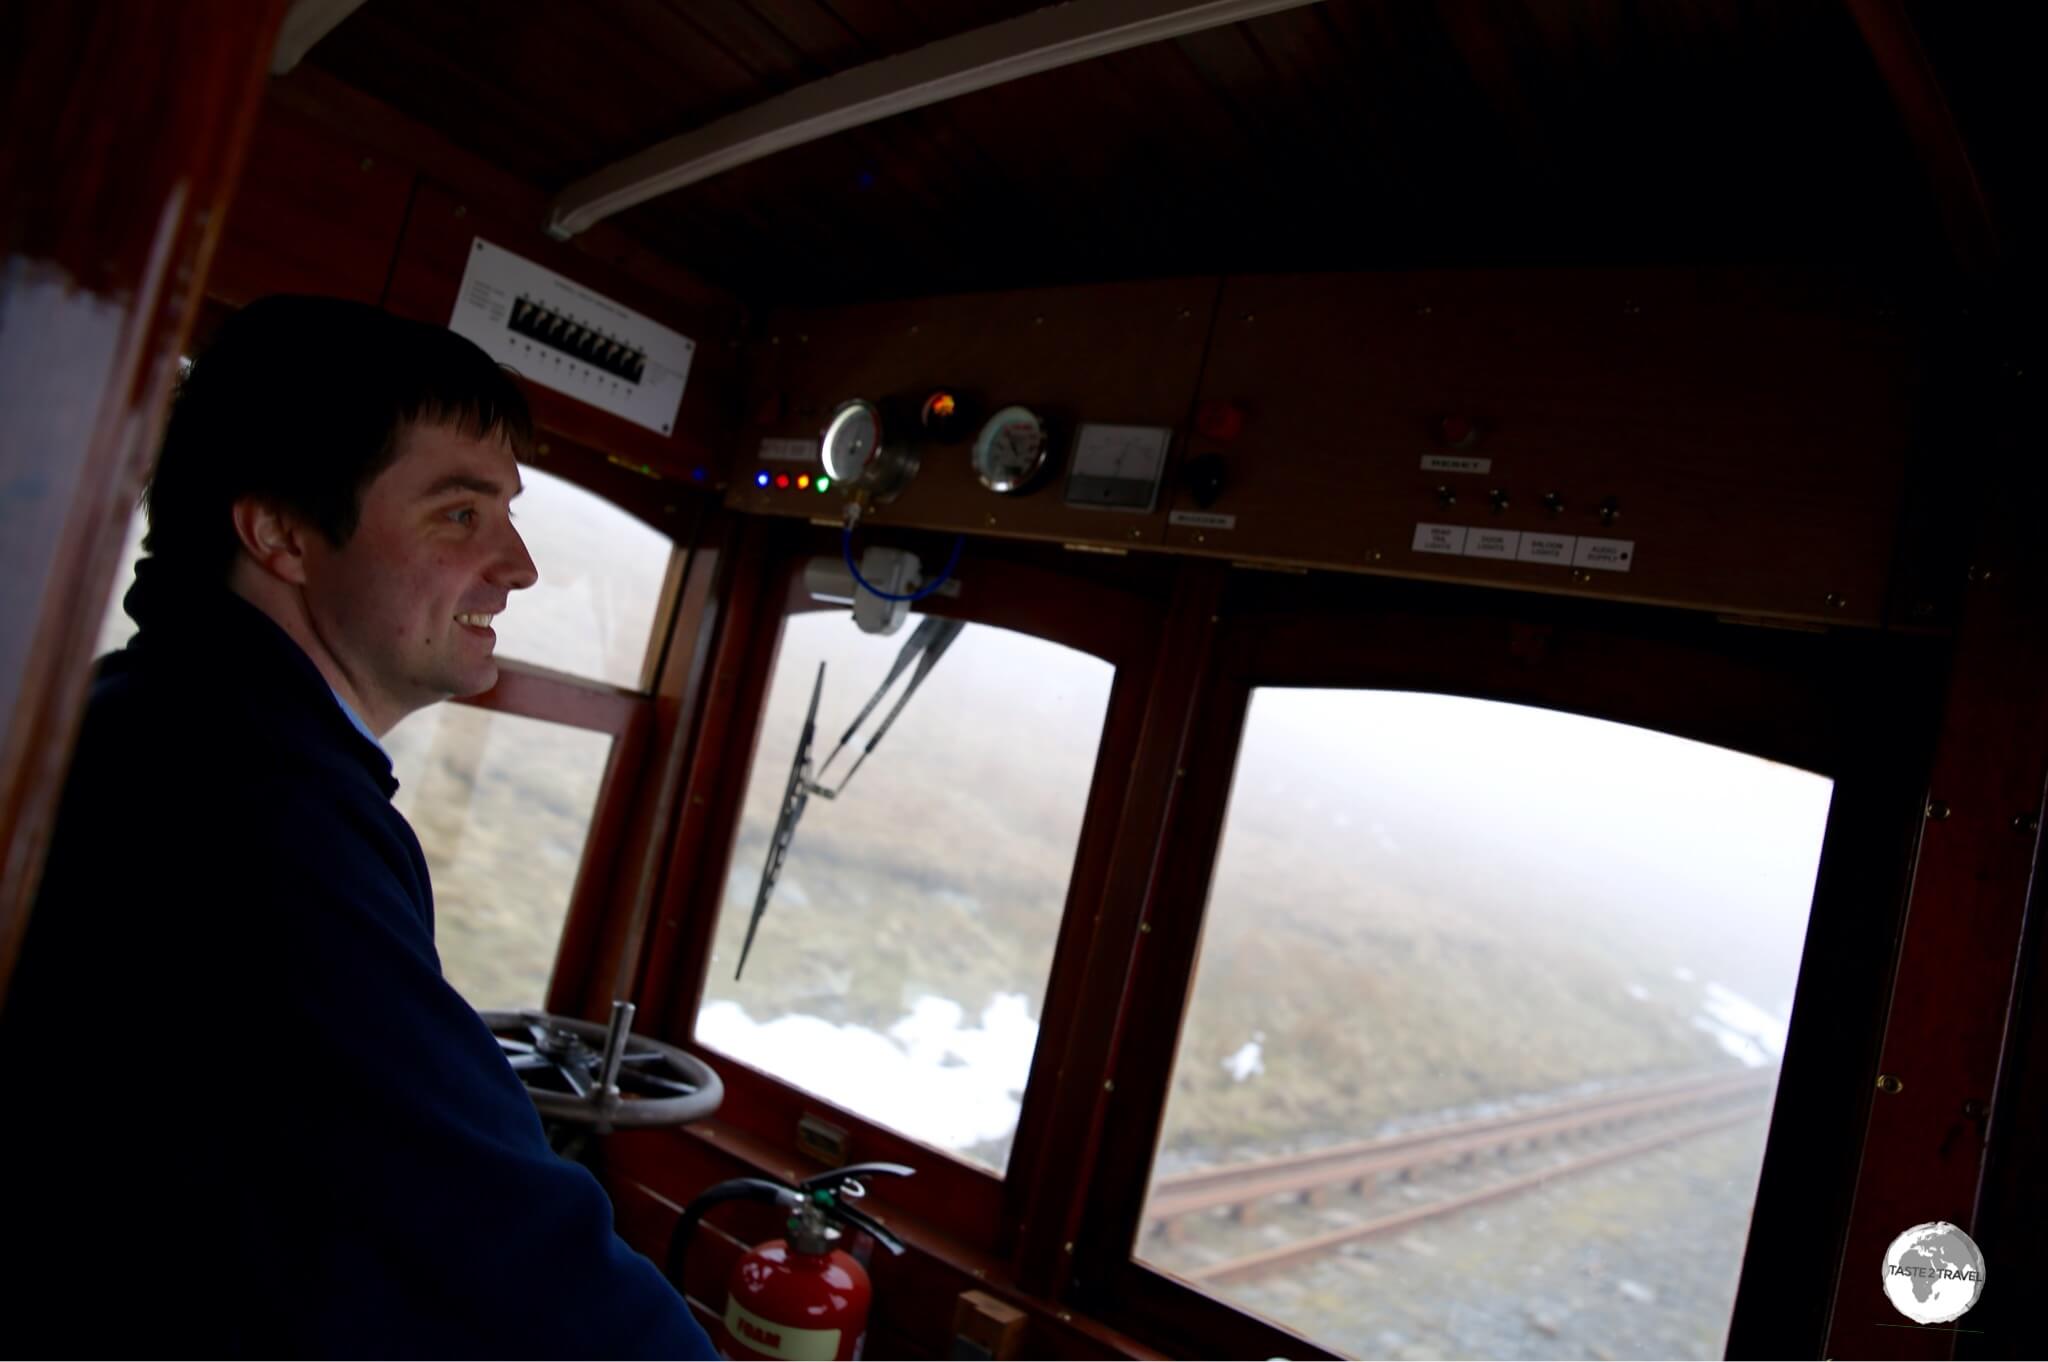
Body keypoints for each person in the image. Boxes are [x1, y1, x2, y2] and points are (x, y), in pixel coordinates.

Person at [0, 296, 717, 1358]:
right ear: (281, 533)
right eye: (460, 514)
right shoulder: (250, 808)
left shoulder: (151, 719)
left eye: (508, 513)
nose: (519, 566)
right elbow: (506, 1253)